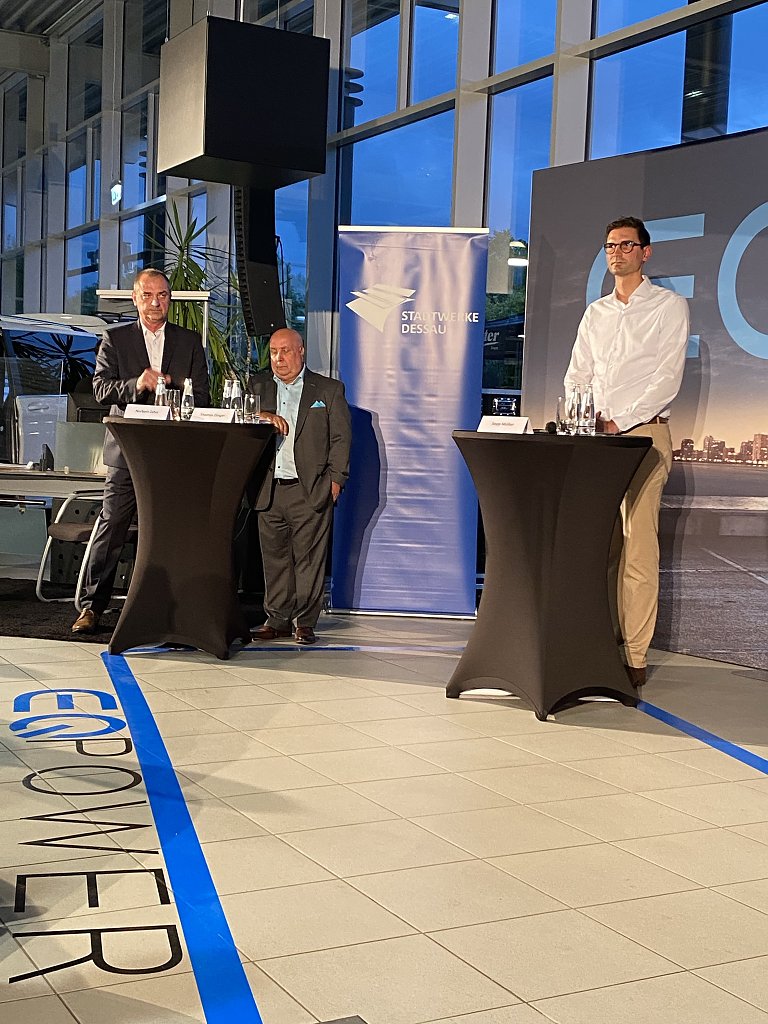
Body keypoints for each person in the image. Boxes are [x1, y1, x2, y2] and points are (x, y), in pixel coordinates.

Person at [564, 216, 689, 687]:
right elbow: (577, 374)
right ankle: (599, 642)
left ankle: (634, 655)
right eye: (610, 246)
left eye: (626, 245)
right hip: (595, 441)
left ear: (645, 252)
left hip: (643, 437)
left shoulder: (668, 306)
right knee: (600, 545)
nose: (616, 252)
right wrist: (583, 417)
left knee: (638, 548)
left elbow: (667, 379)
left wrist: (621, 419)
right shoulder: (596, 313)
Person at [71, 268, 209, 634]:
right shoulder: (115, 339)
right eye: (147, 295)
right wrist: (139, 383)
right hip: (126, 454)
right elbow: (100, 390)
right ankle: (92, 606)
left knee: (170, 530)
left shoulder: (189, 341)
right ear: (135, 299)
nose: (155, 302)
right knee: (113, 526)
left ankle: (171, 607)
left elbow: (204, 397)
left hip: (171, 455)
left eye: (162, 295)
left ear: (170, 300)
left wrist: (174, 387)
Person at [249, 328, 351, 645]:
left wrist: (336, 480)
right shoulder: (258, 386)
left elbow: (341, 438)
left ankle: (304, 622)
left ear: (301, 351)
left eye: (286, 351)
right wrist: (261, 415)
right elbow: (238, 418)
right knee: (275, 559)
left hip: (311, 488)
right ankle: (277, 619)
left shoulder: (328, 389)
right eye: (273, 352)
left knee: (308, 560)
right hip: (268, 488)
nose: (279, 358)